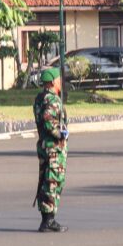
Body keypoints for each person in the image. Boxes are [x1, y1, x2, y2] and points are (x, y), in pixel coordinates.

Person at [33, 67, 69, 233]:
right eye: (59, 79)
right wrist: (60, 134)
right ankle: (48, 220)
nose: (61, 82)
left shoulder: (40, 98)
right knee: (53, 181)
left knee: (46, 180)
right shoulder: (53, 100)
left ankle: (46, 219)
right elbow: (48, 119)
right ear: (53, 81)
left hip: (43, 146)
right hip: (53, 147)